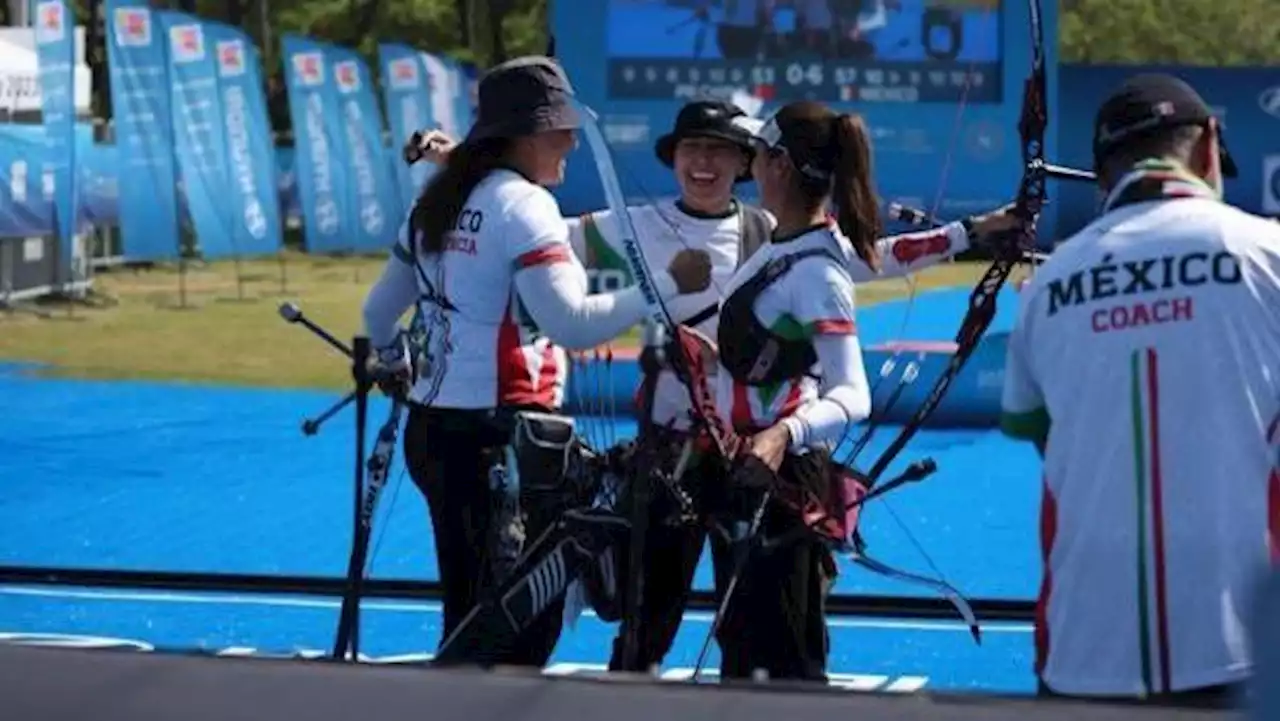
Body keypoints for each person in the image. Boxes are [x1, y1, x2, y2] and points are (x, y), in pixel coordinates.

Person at [407, 97, 1011, 676]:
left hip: (746, 460)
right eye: (692, 148)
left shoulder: (767, 232)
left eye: (721, 152)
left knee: (755, 633)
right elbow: (533, 229)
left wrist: (971, 233)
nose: (704, 163)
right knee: (644, 627)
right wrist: (463, 161)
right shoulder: (635, 223)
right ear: (672, 158)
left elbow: (869, 255)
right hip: (668, 455)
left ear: (748, 163)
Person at [360, 55, 712, 669]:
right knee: (518, 630)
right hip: (509, 448)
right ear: (524, 134)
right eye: (561, 128)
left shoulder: (437, 200)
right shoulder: (523, 205)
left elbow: (376, 313)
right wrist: (666, 285)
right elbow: (570, 322)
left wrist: (394, 362)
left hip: (435, 435)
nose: (573, 141)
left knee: (468, 611)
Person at [705, 100, 1019, 681]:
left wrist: (782, 433)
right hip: (748, 473)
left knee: (788, 667)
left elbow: (854, 394)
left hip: (782, 479)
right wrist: (971, 231)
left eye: (759, 154)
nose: (750, 164)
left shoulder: (816, 273)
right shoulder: (799, 246)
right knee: (744, 658)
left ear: (781, 167)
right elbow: (883, 255)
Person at [1000, 73, 1278, 708]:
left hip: (1082, 652)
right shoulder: (1268, 251)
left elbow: (1035, 430)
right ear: (1209, 146)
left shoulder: (1049, 283)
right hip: (1244, 650)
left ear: (1101, 178)